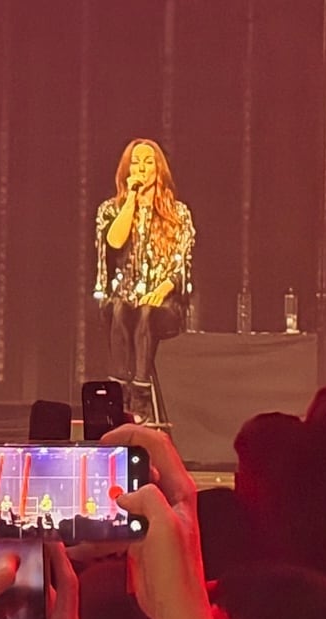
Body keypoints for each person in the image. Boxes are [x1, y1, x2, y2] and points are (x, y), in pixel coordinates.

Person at [94, 139, 196, 425]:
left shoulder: (178, 213)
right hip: (124, 299)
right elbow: (114, 242)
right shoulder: (110, 210)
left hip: (164, 302)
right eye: (136, 162)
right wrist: (130, 201)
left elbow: (181, 264)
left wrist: (160, 289)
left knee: (147, 312)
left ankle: (140, 392)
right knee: (119, 309)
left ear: (158, 168)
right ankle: (119, 390)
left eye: (148, 161)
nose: (142, 167)